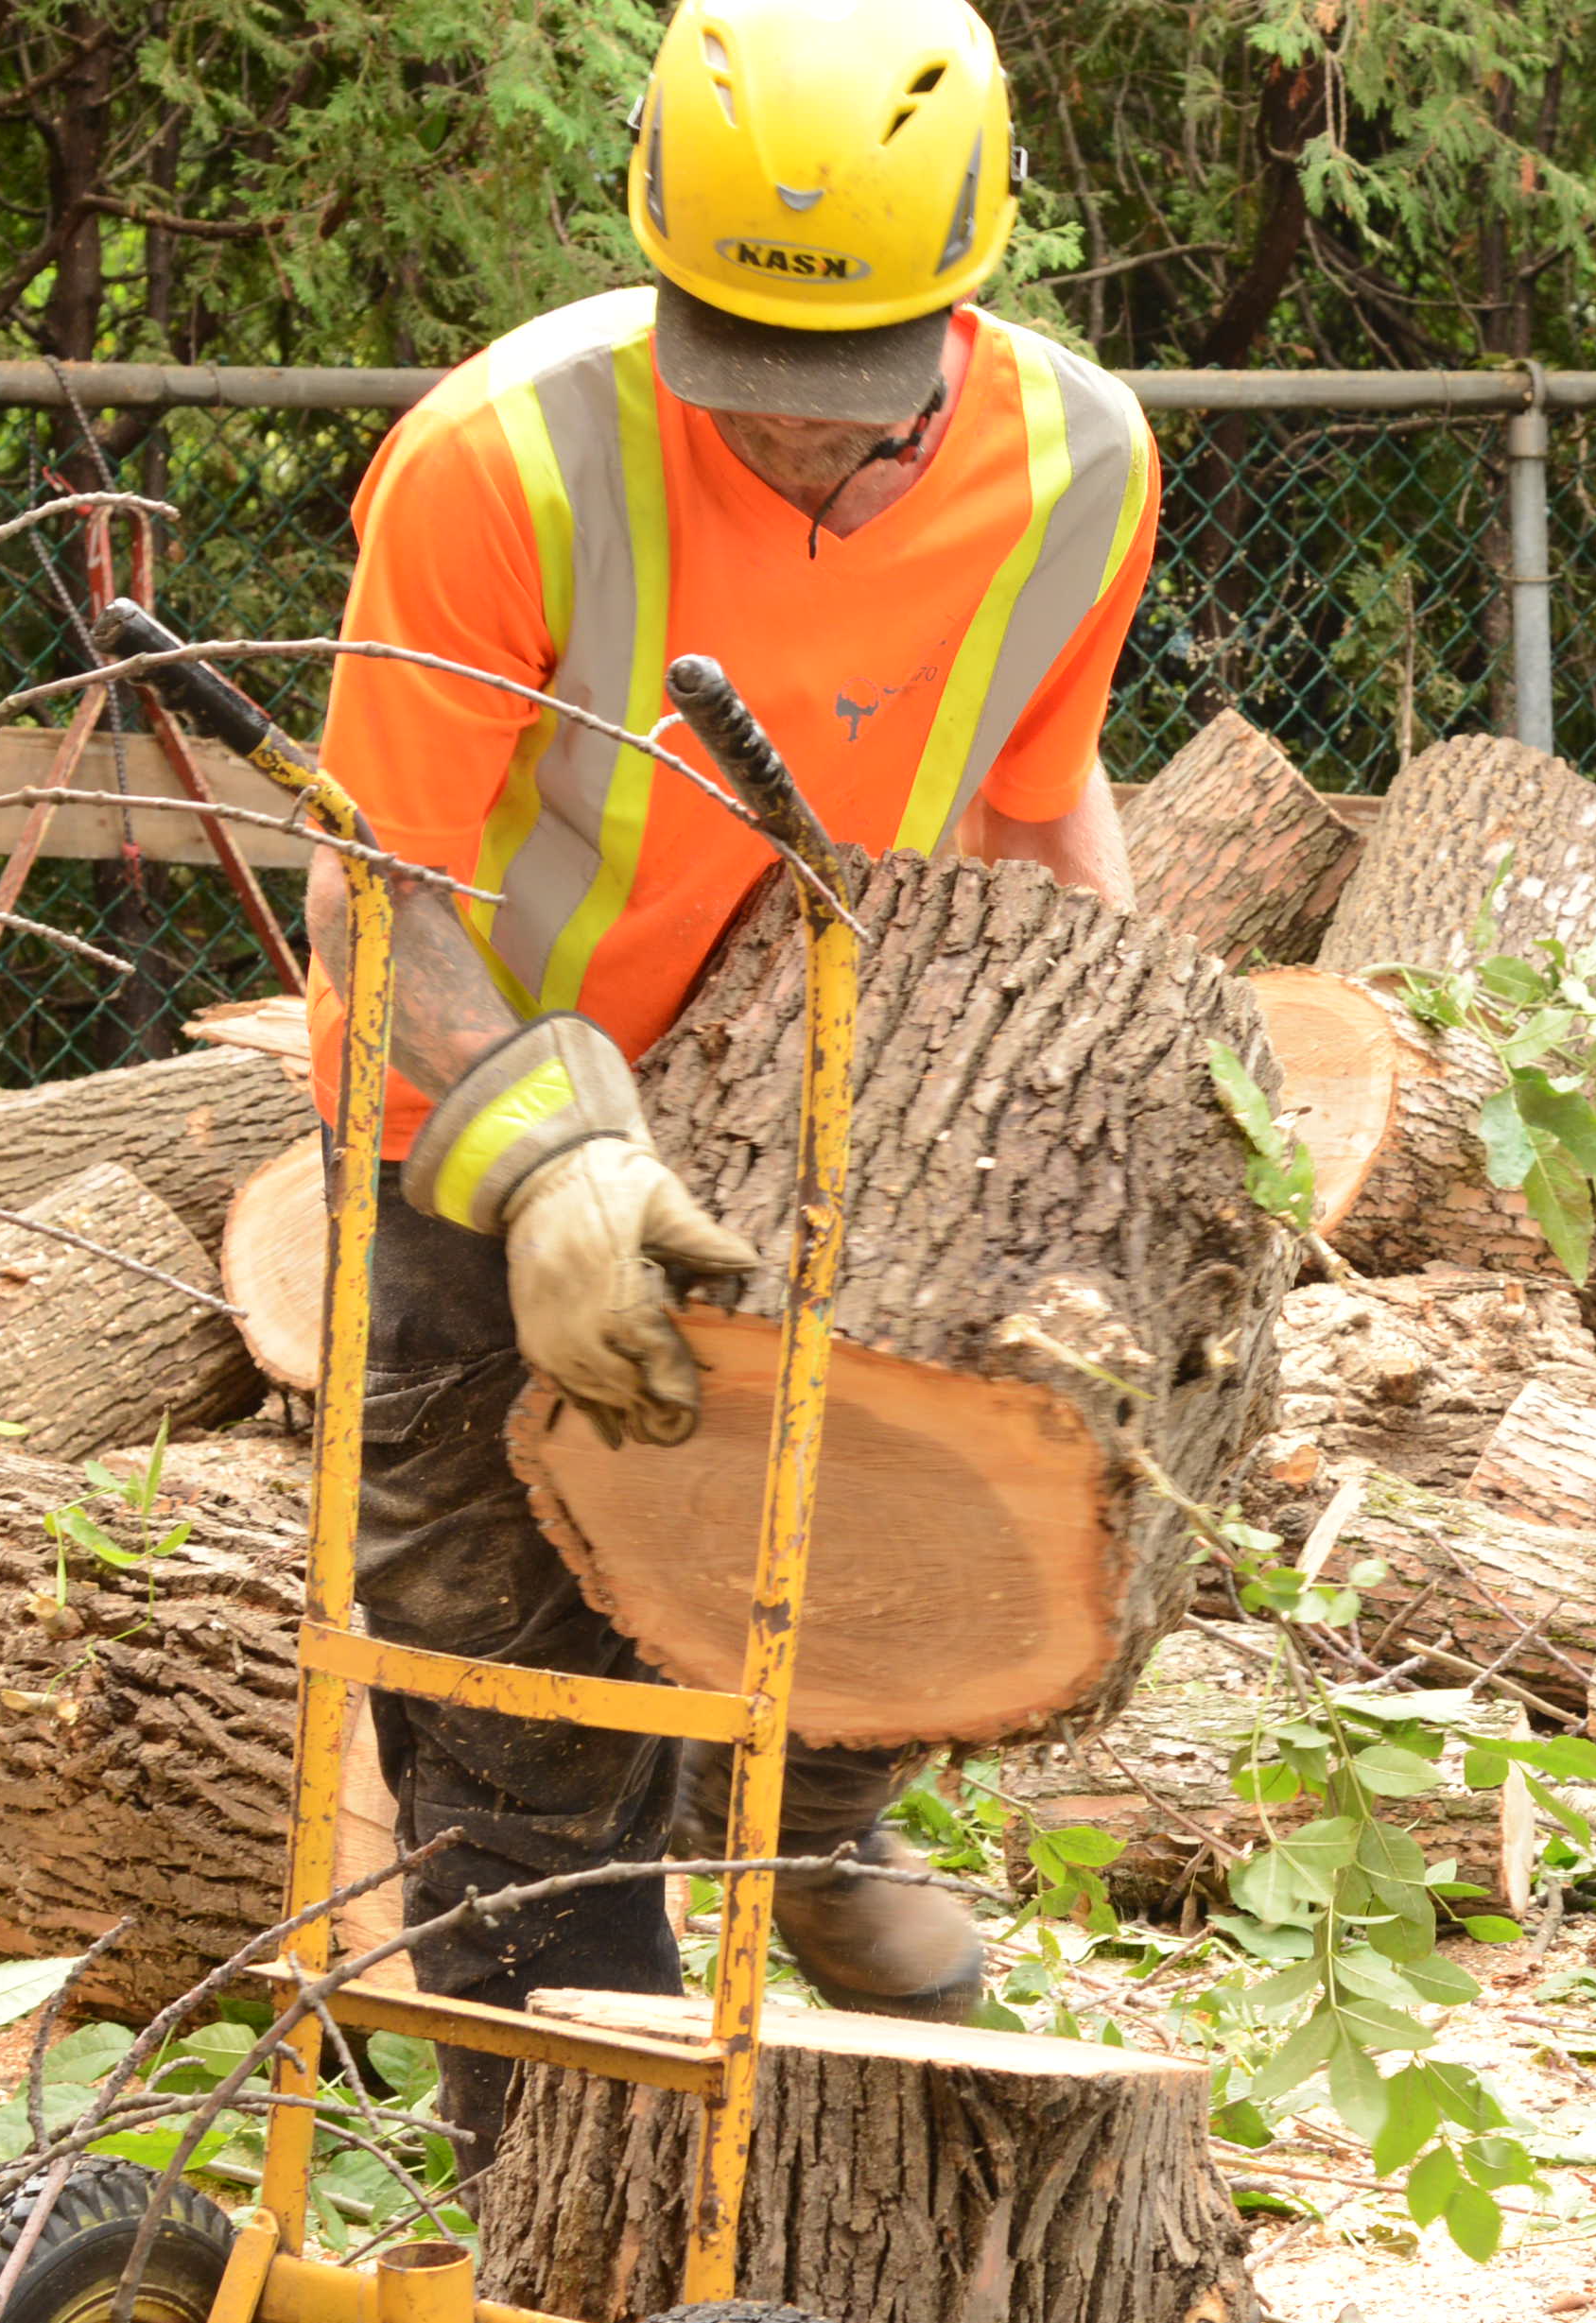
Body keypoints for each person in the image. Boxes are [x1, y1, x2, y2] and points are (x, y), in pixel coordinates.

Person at [301, 0, 1157, 2156]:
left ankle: (821, 1818)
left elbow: (1045, 817)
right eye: (751, 387)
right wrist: (545, 1156)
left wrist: (1150, 1112)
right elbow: (366, 877)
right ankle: (570, 2201)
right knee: (517, 1716)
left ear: (965, 288)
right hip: (471, 1112)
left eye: (845, 402)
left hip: (827, 1113)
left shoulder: (1080, 466)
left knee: (906, 1547)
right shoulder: (505, 456)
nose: (789, 439)